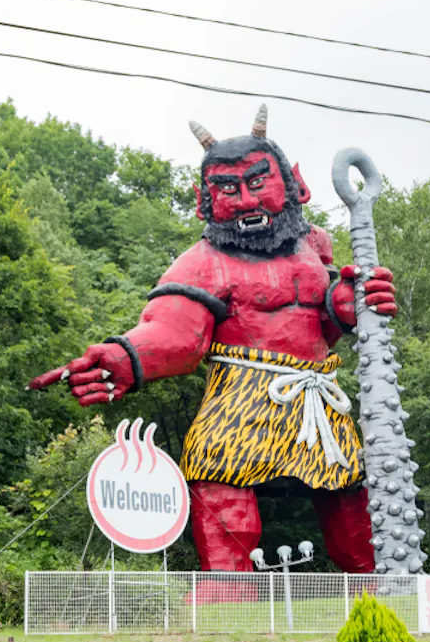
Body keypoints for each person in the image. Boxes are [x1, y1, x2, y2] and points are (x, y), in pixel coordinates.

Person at [29, 105, 397, 587]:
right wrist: (121, 358)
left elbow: (327, 316)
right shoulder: (201, 262)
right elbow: (178, 333)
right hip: (240, 391)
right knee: (218, 467)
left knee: (349, 486)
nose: (245, 201)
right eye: (228, 189)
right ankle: (228, 581)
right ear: (206, 201)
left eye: (257, 182)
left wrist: (355, 300)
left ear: (293, 184)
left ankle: (377, 581)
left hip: (315, 393)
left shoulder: (316, 245)